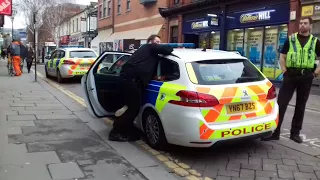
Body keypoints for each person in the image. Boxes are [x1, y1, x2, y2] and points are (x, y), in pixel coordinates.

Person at [262, 17, 320, 143]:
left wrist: (315, 74)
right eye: (301, 23)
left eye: (305, 23)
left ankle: (295, 133)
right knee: (281, 104)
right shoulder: (291, 39)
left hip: (306, 77)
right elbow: (282, 56)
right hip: (290, 76)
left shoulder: (315, 41)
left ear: (310, 26)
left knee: (300, 106)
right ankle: (275, 132)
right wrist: (284, 71)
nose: (302, 25)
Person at [108, 35, 174, 142]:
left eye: (159, 42)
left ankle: (122, 129)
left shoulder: (150, 53)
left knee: (131, 108)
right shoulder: (148, 47)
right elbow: (167, 49)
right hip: (130, 81)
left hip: (131, 81)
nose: (158, 43)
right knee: (134, 109)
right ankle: (116, 133)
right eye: (157, 41)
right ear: (150, 42)